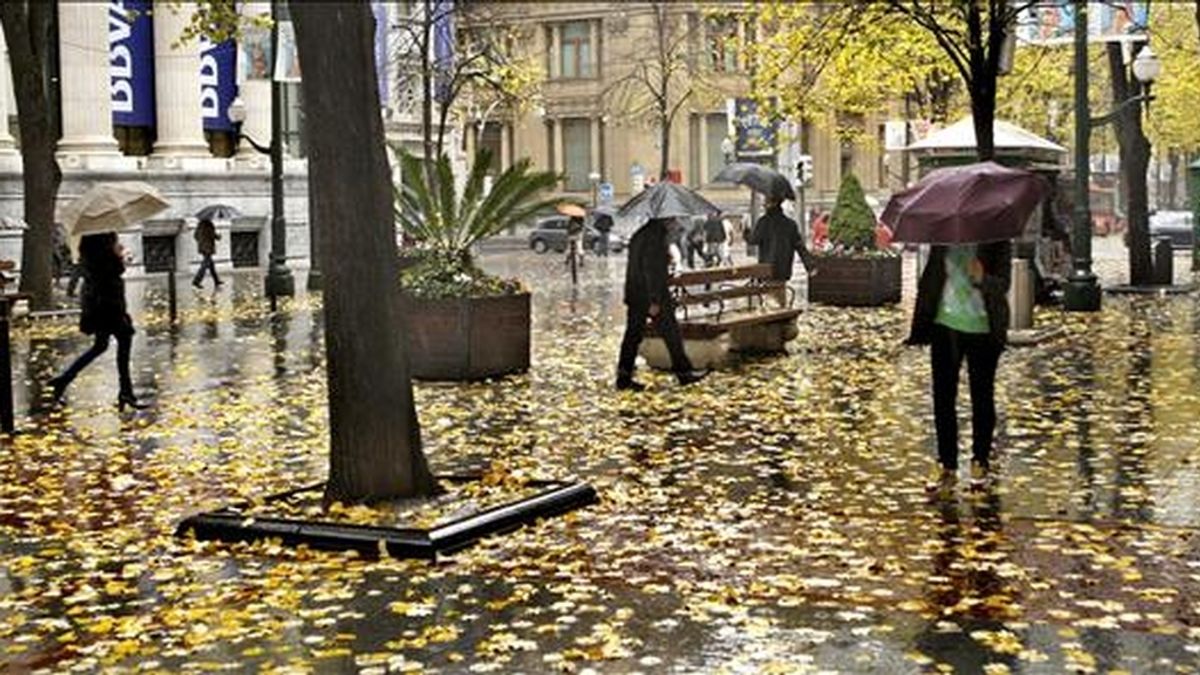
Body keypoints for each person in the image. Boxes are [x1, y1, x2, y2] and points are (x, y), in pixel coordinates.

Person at [907, 241, 1012, 488]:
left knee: (982, 397)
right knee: (943, 398)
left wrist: (982, 278)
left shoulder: (996, 240)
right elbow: (931, 280)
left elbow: (1003, 285)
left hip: (983, 329)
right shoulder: (942, 239)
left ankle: (980, 460)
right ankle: (946, 462)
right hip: (944, 327)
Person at [48, 233, 147, 410]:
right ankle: (126, 391)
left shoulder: (89, 249)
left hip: (99, 306)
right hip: (109, 306)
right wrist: (120, 256)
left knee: (101, 346)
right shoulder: (105, 253)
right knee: (124, 339)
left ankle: (64, 379)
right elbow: (115, 270)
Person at [616, 217, 708, 391]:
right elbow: (651, 270)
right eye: (672, 219)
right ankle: (684, 373)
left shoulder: (641, 234)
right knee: (671, 334)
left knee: (632, 337)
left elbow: (642, 265)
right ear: (664, 219)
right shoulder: (655, 237)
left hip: (635, 294)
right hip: (650, 296)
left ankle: (624, 376)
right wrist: (655, 300)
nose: (675, 222)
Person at [745, 196, 816, 306]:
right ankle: (780, 314)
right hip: (783, 268)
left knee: (770, 300)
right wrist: (809, 265)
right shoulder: (790, 224)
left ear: (771, 204)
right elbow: (800, 247)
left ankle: (774, 316)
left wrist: (746, 232)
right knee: (780, 296)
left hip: (767, 268)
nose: (763, 205)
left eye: (766, 202)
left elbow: (753, 240)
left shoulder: (763, 222)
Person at [192, 217, 222, 289]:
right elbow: (214, 236)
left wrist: (201, 242)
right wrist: (219, 236)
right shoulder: (209, 225)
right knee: (204, 265)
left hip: (202, 247)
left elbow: (195, 236)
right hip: (208, 248)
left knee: (211, 265)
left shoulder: (199, 225)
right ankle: (196, 281)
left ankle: (216, 280)